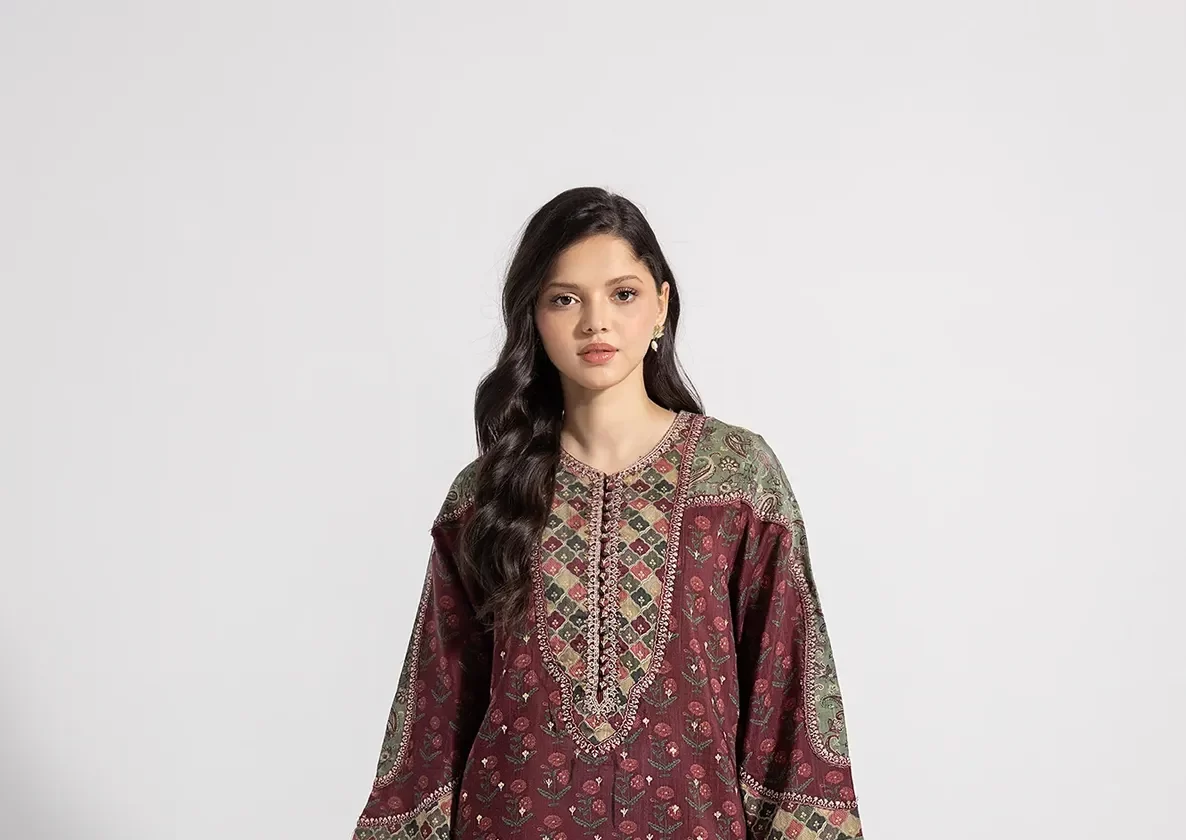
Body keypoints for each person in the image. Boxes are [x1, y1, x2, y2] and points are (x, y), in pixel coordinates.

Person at [350, 187, 865, 840]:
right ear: (532, 316)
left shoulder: (738, 480)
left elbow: (789, 699)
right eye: (565, 299)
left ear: (660, 306)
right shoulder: (486, 494)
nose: (596, 322)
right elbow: (432, 720)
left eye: (622, 294)